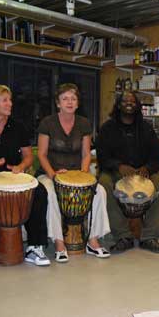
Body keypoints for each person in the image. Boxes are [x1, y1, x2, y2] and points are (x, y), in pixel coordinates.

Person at [0, 85, 50, 274]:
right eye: (5, 100)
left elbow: (28, 156)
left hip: (14, 176)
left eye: (10, 99)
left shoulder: (18, 127)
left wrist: (21, 167)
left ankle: (35, 246)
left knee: (40, 191)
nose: (10, 103)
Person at [37, 83, 110, 263]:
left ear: (77, 103)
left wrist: (83, 174)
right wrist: (54, 175)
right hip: (49, 173)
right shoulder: (47, 123)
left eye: (73, 98)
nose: (69, 102)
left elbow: (86, 154)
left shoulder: (84, 123)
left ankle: (93, 240)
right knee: (51, 193)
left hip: (77, 174)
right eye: (65, 98)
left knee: (99, 191)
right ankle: (59, 242)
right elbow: (42, 154)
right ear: (58, 103)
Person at [97, 91, 159, 254]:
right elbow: (102, 156)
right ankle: (123, 236)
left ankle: (149, 237)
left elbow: (157, 155)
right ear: (118, 105)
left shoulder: (146, 128)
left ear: (137, 106)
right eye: (125, 101)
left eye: (132, 101)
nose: (129, 103)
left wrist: (148, 168)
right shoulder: (108, 128)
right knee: (103, 185)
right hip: (115, 171)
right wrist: (118, 166)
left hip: (142, 172)